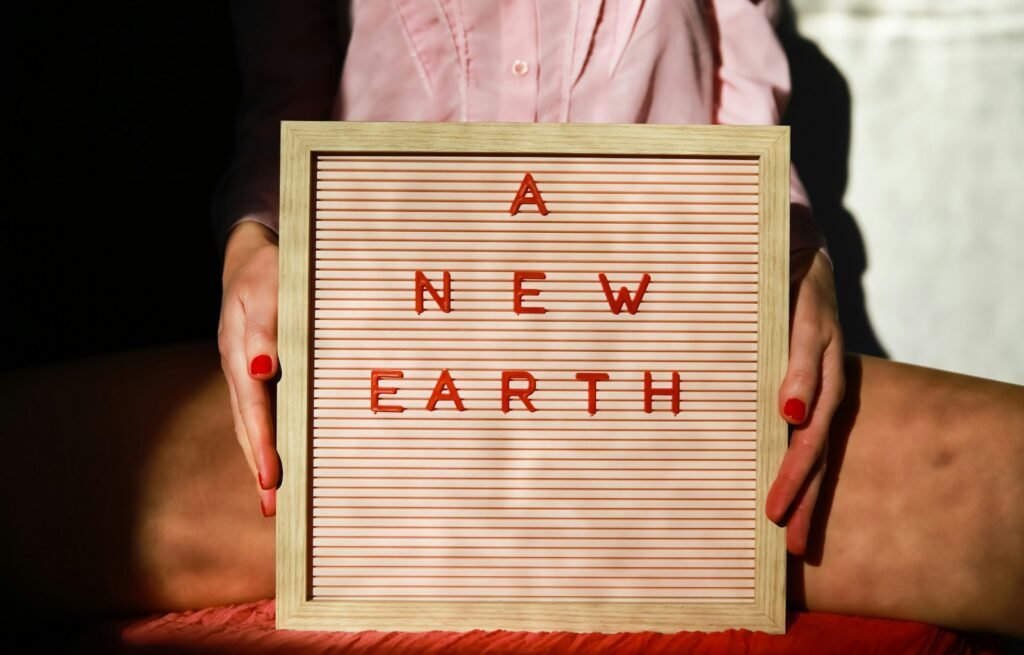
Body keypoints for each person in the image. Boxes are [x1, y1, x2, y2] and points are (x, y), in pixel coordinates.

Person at [2, 0, 1020, 639]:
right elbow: (280, 119)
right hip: (397, 401)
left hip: (661, 398)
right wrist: (255, 243)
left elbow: (749, 118)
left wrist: (789, 251)